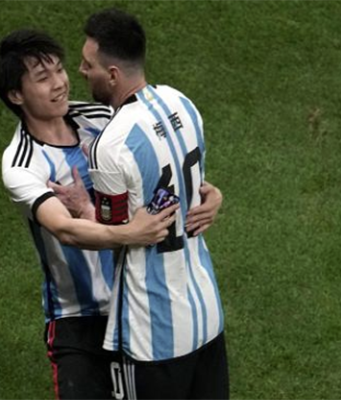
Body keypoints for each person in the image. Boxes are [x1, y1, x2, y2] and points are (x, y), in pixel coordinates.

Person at [0, 29, 222, 400]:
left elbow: (159, 169)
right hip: (79, 317)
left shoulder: (101, 118)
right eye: (43, 78)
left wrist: (210, 193)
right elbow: (65, 229)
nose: (61, 83)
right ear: (16, 95)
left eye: (60, 70)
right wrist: (130, 234)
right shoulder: (22, 164)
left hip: (135, 302)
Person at [77, 8, 230, 400]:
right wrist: (216, 196)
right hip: (206, 311)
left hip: (153, 331)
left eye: (88, 65)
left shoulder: (111, 145)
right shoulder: (182, 103)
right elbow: (193, 189)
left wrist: (81, 206)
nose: (81, 71)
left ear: (113, 74)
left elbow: (115, 234)